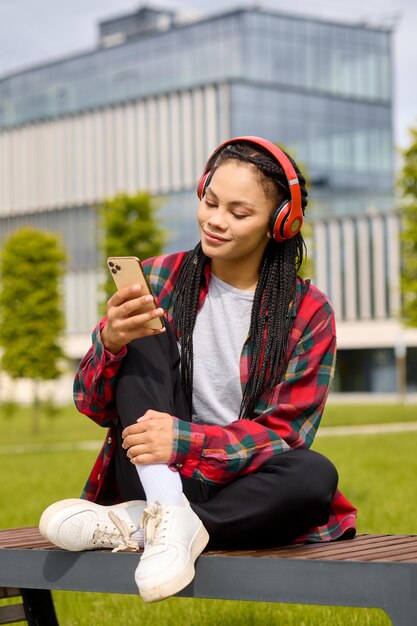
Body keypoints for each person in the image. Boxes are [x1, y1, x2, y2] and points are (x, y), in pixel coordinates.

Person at [39, 136, 357, 603]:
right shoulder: (158, 279)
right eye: (210, 202)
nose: (215, 220)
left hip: (243, 486)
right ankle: (166, 506)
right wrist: (110, 343)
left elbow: (284, 437)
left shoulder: (308, 311)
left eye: (238, 212)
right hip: (153, 470)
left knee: (314, 475)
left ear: (280, 223)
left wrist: (186, 439)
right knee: (143, 333)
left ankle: (149, 525)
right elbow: (91, 404)